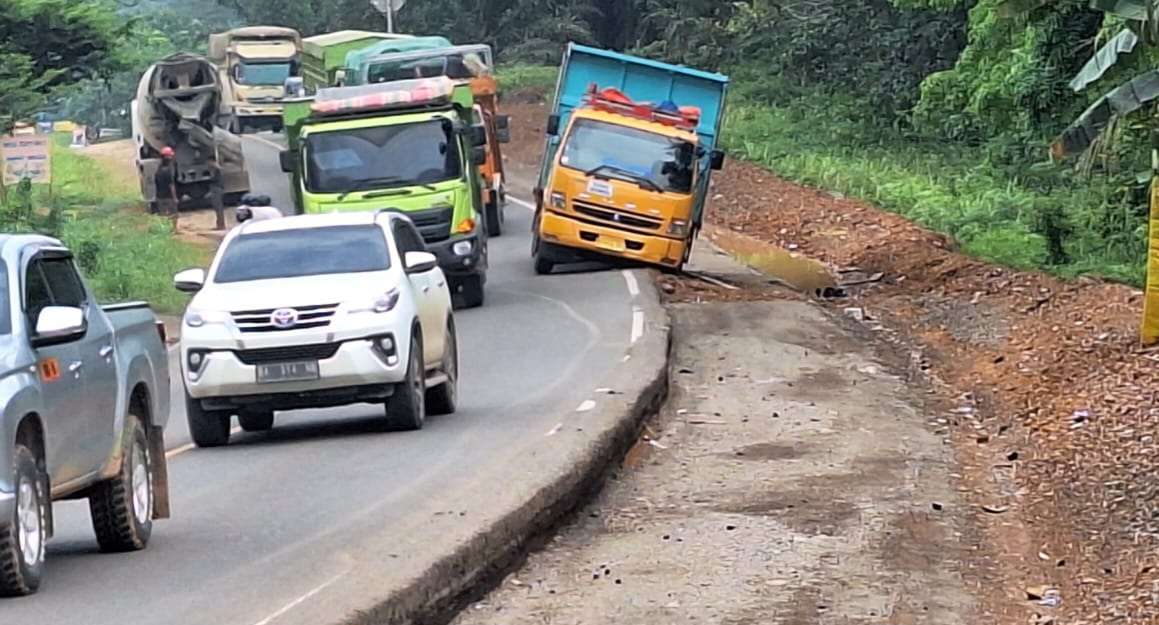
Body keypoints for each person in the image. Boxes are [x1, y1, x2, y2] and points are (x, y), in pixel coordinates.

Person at [154, 147, 179, 229]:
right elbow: (171, 185)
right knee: (174, 214)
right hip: (168, 196)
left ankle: (165, 229)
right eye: (170, 156)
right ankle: (174, 229)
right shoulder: (168, 171)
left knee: (163, 214)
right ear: (166, 157)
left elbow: (156, 183)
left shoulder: (158, 170)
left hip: (160, 196)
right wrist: (175, 198)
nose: (171, 158)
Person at [208, 159, 226, 231]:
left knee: (218, 207)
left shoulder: (216, 170)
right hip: (218, 189)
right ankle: (220, 224)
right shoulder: (217, 169)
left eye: (209, 162)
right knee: (218, 208)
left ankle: (221, 225)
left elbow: (213, 179)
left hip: (216, 189)